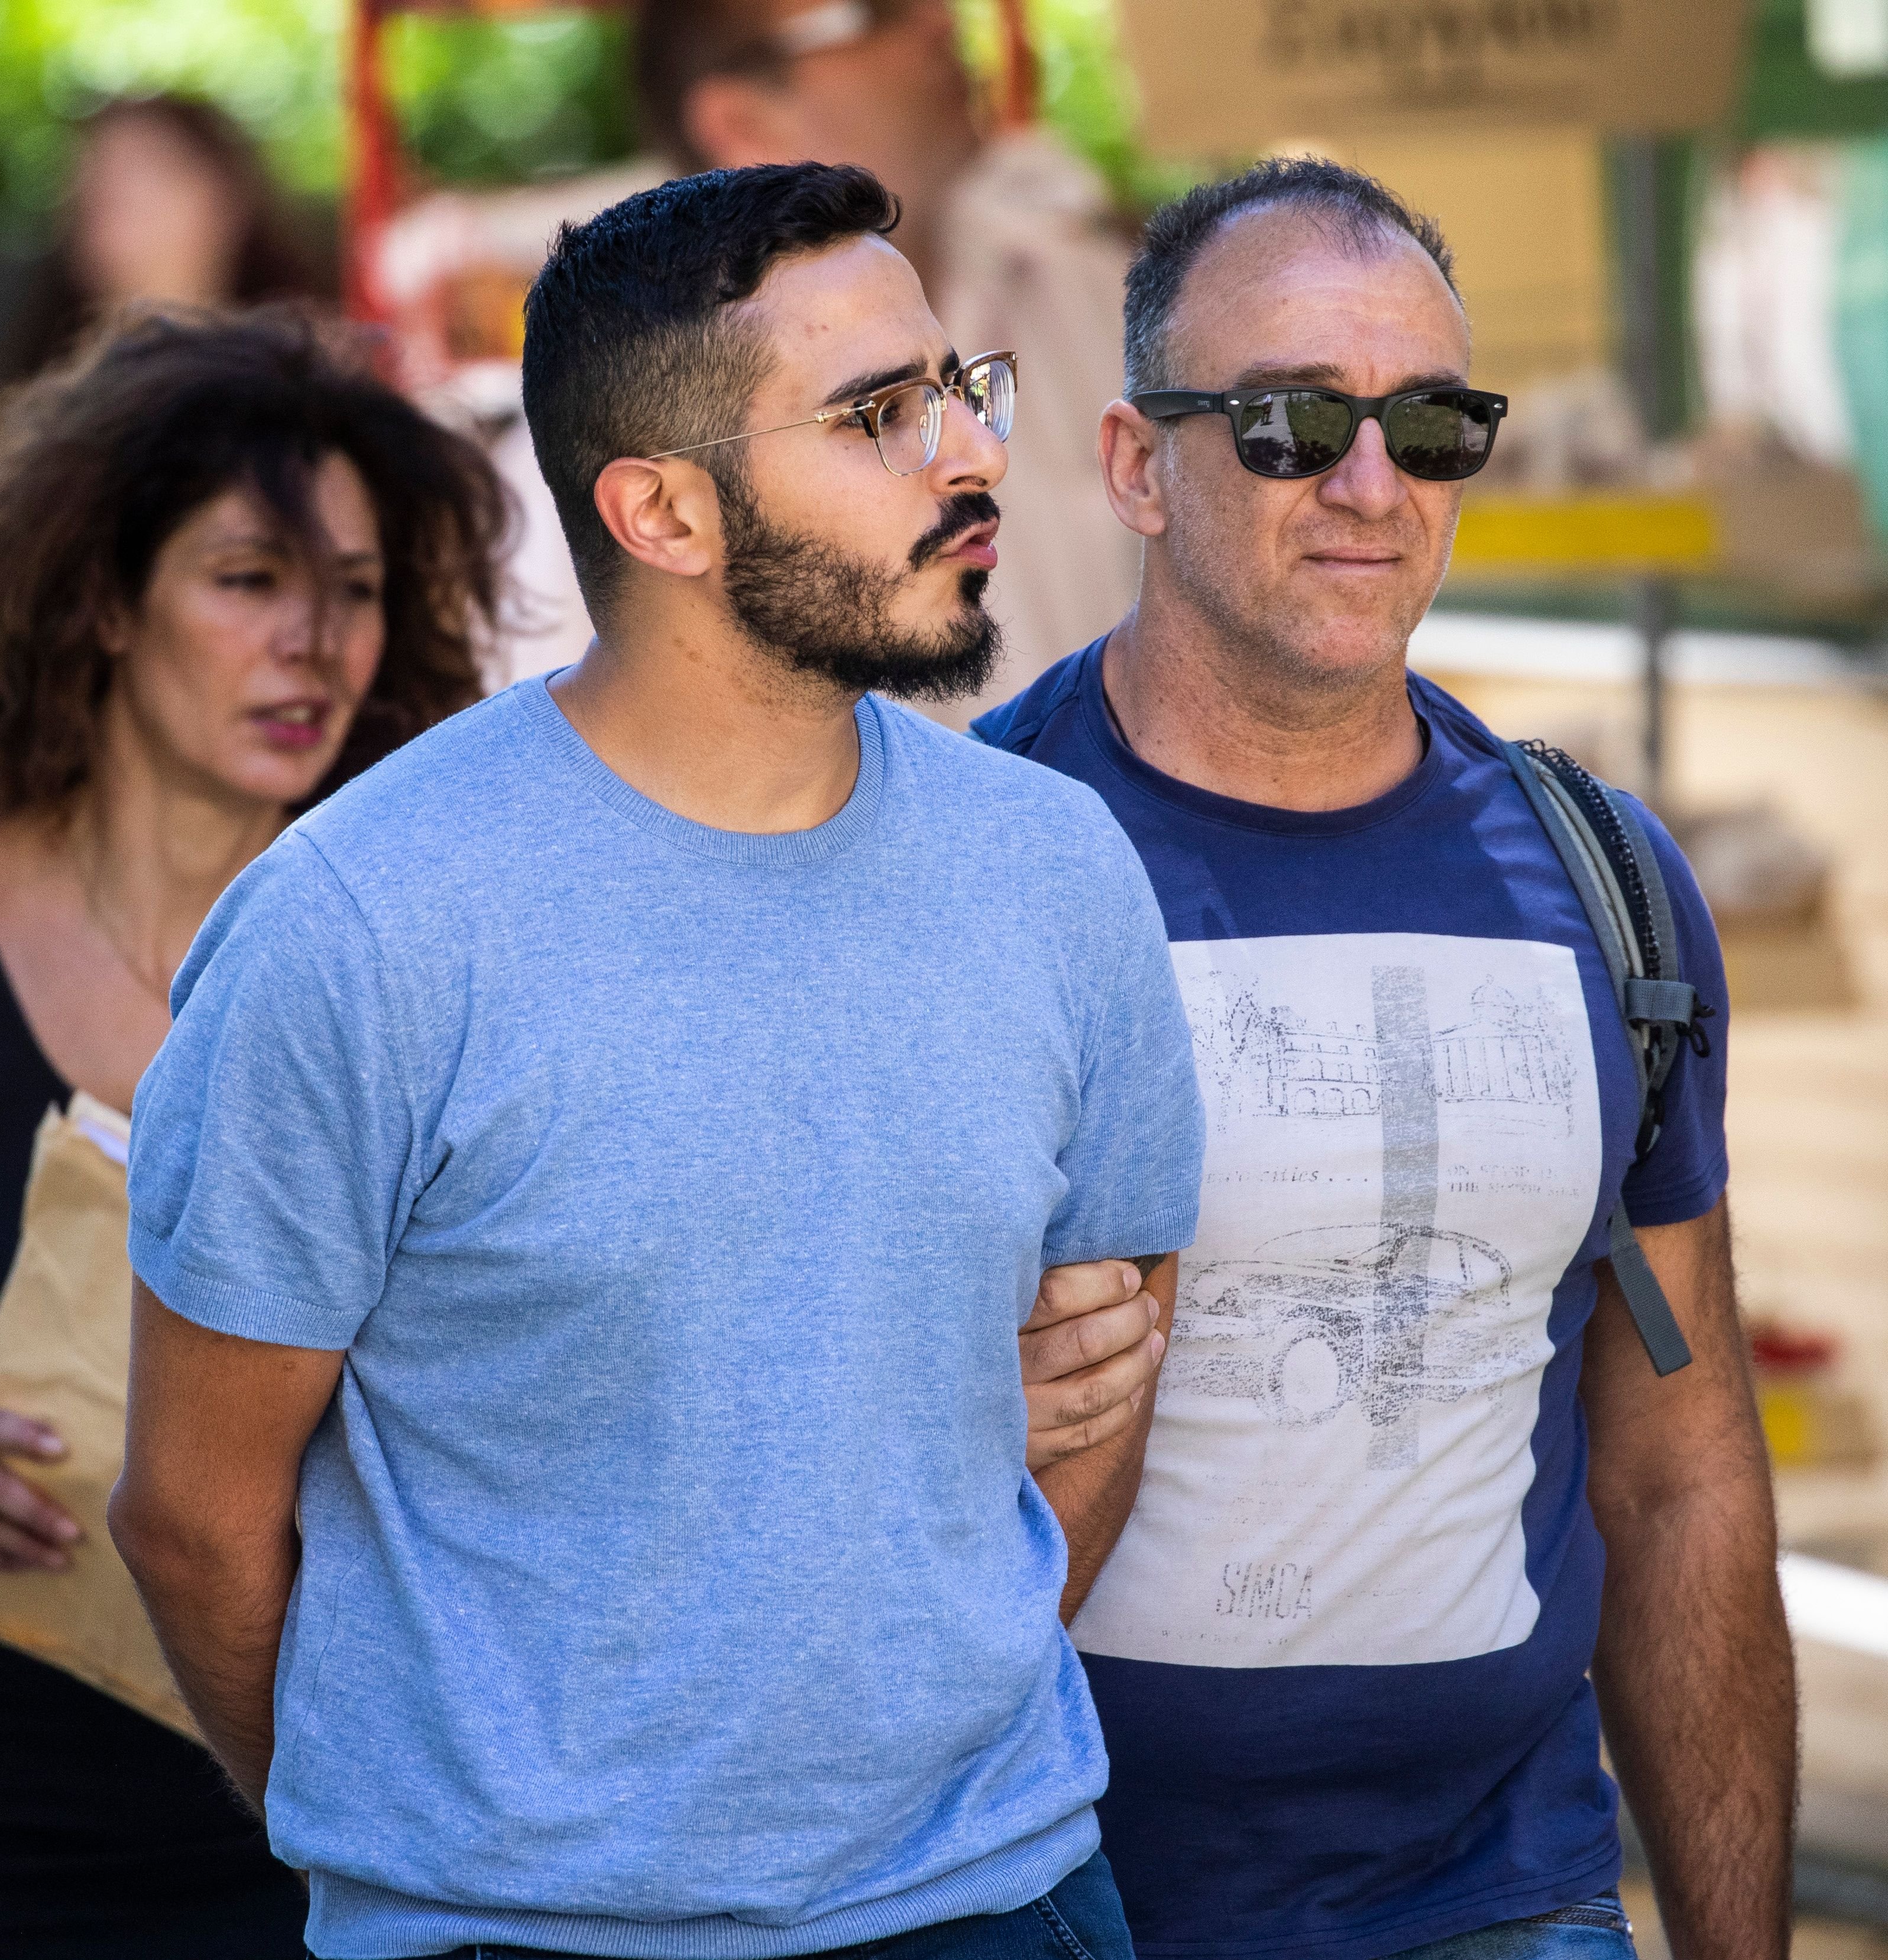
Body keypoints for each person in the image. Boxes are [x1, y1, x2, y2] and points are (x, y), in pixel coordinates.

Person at [109, 163, 1204, 1960]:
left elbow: (1110, 1377)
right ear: (662, 513)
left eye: (955, 387)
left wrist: (906, 1741)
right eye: (876, 415)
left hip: (994, 1903)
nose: (968, 455)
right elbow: (195, 1517)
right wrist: (434, 1847)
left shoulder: (1058, 871)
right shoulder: (360, 927)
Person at [975, 159, 1795, 1960]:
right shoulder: (961, 868)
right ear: (1133, 462)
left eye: (1430, 422)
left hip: (1503, 1905)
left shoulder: (1610, 886)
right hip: (1034, 1906)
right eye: (1286, 423)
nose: (1369, 485)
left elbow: (1678, 1471)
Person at [0, 306, 504, 1957]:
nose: (314, 643)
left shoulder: (429, 951)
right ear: (97, 597)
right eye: (248, 579)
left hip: (343, 1859)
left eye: (356, 591)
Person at [632, 0, 1142, 718]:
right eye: (875, 13)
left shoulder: (1096, 289)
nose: (939, 20)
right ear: (744, 124)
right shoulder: (638, 436)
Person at [0, 96, 320, 380]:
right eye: (96, 179)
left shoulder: (307, 379)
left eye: (152, 172)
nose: (117, 193)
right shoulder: (30, 407)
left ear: (230, 200)